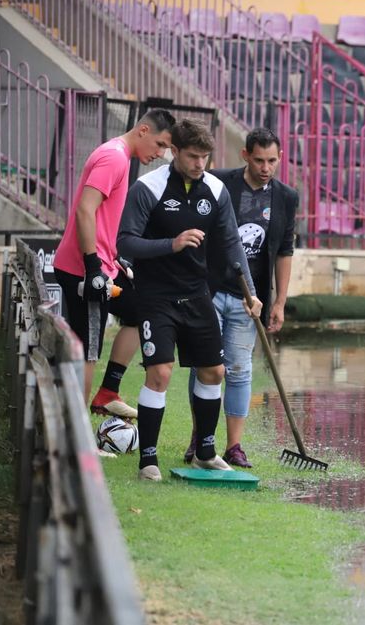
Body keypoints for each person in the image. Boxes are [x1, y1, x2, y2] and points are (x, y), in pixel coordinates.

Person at [116, 119, 261, 481]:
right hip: (156, 296)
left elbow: (231, 245)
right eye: (193, 156)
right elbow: (126, 243)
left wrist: (252, 294)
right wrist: (172, 244)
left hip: (197, 294)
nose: (200, 164)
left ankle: (206, 453)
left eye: (205, 157)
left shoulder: (215, 189)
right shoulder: (146, 188)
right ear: (175, 152)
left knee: (215, 372)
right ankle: (147, 459)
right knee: (160, 374)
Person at [183, 127, 298, 468]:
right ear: (245, 155)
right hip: (210, 289)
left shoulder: (286, 197)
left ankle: (234, 447)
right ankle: (200, 437)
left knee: (239, 368)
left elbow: (285, 250)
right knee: (206, 365)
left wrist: (279, 302)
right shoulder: (218, 183)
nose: (266, 167)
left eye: (272, 161)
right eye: (259, 160)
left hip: (252, 300)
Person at [53, 109, 175, 417]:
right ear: (143, 130)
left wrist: (112, 257)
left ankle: (107, 393)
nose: (160, 154)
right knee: (88, 351)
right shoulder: (115, 158)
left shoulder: (118, 154)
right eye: (159, 145)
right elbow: (84, 210)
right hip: (83, 269)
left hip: (101, 264)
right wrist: (93, 266)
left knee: (138, 310)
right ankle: (78, 438)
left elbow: (100, 217)